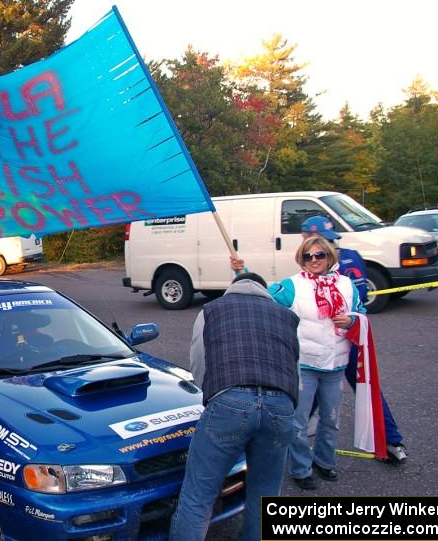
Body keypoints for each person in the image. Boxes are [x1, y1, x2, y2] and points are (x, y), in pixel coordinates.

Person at [169, 273, 300, 541]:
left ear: (232, 289)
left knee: (199, 495)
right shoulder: (286, 315)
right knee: (265, 495)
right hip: (281, 405)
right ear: (265, 291)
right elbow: (294, 367)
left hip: (230, 401)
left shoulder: (212, 310)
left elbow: (199, 362)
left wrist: (216, 395)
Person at [300, 215, 407, 464]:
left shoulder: (325, 266)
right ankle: (392, 442)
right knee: (365, 389)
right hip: (356, 336)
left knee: (314, 388)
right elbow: (364, 298)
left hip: (337, 341)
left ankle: (293, 440)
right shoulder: (352, 255)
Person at [266, 236, 365, 489]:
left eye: (319, 255)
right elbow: (260, 300)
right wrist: (241, 271)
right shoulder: (292, 285)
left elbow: (361, 313)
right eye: (308, 256)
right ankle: (301, 469)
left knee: (331, 419)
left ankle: (325, 462)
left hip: (336, 365)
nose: (313, 260)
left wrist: (352, 320)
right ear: (301, 258)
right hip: (303, 365)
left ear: (329, 257)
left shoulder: (346, 285)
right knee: (298, 422)